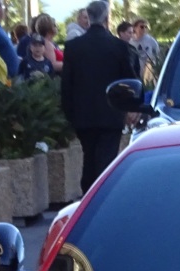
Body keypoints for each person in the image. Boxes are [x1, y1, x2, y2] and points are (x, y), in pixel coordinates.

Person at [61, 0, 138, 193]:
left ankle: (88, 198)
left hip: (83, 116)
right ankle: (102, 200)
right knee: (106, 162)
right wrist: (131, 107)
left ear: (89, 17)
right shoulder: (118, 47)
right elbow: (129, 80)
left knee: (89, 160)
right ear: (106, 17)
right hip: (111, 114)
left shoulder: (73, 47)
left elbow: (66, 86)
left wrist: (70, 116)